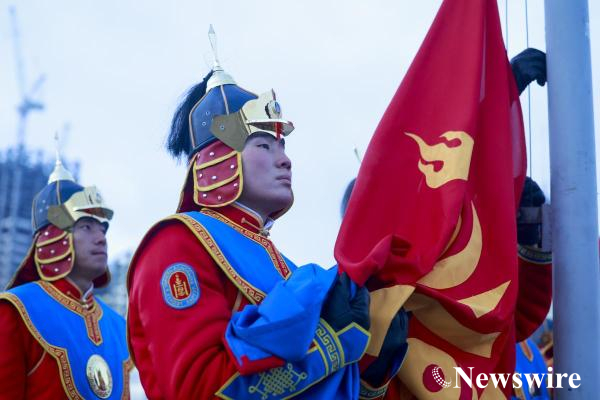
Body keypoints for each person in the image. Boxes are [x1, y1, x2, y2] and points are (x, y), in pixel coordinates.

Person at [127, 30, 407, 400]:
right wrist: (328, 342)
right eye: (264, 144)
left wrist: (371, 373)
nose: (285, 159)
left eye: (283, 145)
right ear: (218, 159)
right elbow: (195, 389)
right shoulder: (177, 243)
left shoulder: (289, 269)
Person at [0, 154, 132, 399]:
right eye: (86, 227)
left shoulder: (118, 326)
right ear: (54, 236)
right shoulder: (16, 309)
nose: (101, 238)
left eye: (103, 229)